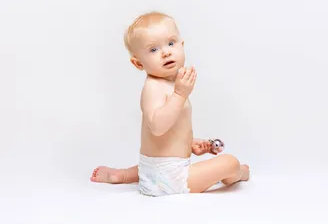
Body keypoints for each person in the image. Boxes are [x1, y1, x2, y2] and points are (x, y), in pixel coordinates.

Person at [90, 11, 250, 196]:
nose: (166, 52)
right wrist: (180, 94)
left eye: (171, 43)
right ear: (138, 63)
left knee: (162, 166)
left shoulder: (169, 84)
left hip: (155, 170)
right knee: (229, 162)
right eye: (153, 50)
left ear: (182, 45)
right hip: (170, 178)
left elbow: (167, 134)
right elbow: (158, 127)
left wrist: (189, 144)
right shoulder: (153, 87)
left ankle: (123, 175)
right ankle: (239, 173)